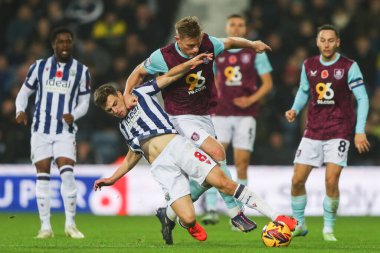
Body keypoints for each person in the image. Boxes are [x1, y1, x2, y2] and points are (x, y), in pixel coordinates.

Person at [93, 53, 297, 244]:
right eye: (109, 110)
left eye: (114, 103)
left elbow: (169, 76)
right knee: (189, 219)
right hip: (162, 168)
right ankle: (172, 216)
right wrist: (112, 178)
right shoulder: (123, 127)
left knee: (223, 181)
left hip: (178, 146)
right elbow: (132, 156)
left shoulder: (140, 93)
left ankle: (277, 217)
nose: (115, 110)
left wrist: (191, 63)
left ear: (120, 94)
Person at [123, 16, 271, 230]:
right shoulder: (163, 56)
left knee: (213, 168)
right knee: (218, 153)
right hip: (179, 117)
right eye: (189, 46)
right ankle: (235, 214)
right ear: (178, 40)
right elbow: (138, 72)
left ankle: (169, 212)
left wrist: (252, 44)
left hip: (204, 114)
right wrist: (127, 93)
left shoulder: (208, 43)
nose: (194, 49)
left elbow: (230, 42)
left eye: (197, 44)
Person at [285, 24, 370, 241]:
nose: (326, 44)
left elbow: (362, 98)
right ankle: (300, 224)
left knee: (331, 180)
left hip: (339, 130)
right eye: (322, 40)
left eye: (331, 40)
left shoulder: (349, 66)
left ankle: (328, 228)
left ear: (338, 42)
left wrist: (359, 131)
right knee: (296, 181)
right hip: (313, 130)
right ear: (317, 41)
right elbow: (305, 91)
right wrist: (295, 109)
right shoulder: (308, 65)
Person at [15, 27, 91, 239]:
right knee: (43, 176)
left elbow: (85, 102)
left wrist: (74, 115)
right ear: (53, 44)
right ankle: (45, 227)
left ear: (72, 44)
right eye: (60, 41)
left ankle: (70, 225)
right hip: (40, 130)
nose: (64, 45)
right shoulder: (39, 67)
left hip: (65, 131)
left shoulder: (81, 71)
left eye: (68, 41)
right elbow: (24, 93)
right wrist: (20, 110)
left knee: (67, 173)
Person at [206, 14, 273, 224]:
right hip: (221, 113)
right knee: (213, 160)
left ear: (245, 29)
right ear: (227, 28)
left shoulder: (255, 52)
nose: (236, 28)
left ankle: (240, 211)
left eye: (240, 25)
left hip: (246, 115)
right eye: (232, 25)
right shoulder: (218, 52)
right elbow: (212, 80)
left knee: (242, 163)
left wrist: (250, 99)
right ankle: (210, 210)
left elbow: (268, 84)